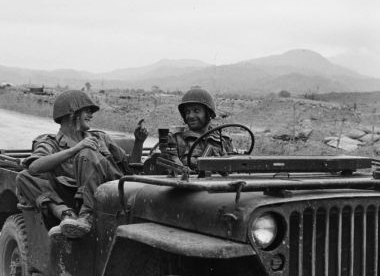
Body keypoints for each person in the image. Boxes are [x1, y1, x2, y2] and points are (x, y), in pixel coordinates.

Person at [16, 90, 148, 239]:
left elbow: (130, 167)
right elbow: (34, 167)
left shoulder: (100, 137)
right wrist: (76, 148)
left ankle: (87, 216)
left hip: (109, 192)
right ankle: (67, 215)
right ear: (72, 113)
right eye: (87, 111)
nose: (91, 115)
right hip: (71, 197)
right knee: (23, 176)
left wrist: (139, 142)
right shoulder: (49, 143)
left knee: (87, 153)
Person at [164, 88, 234, 170]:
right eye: (187, 112)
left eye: (196, 111)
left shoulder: (223, 140)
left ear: (208, 113)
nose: (191, 116)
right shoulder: (175, 138)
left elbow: (233, 171)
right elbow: (169, 170)